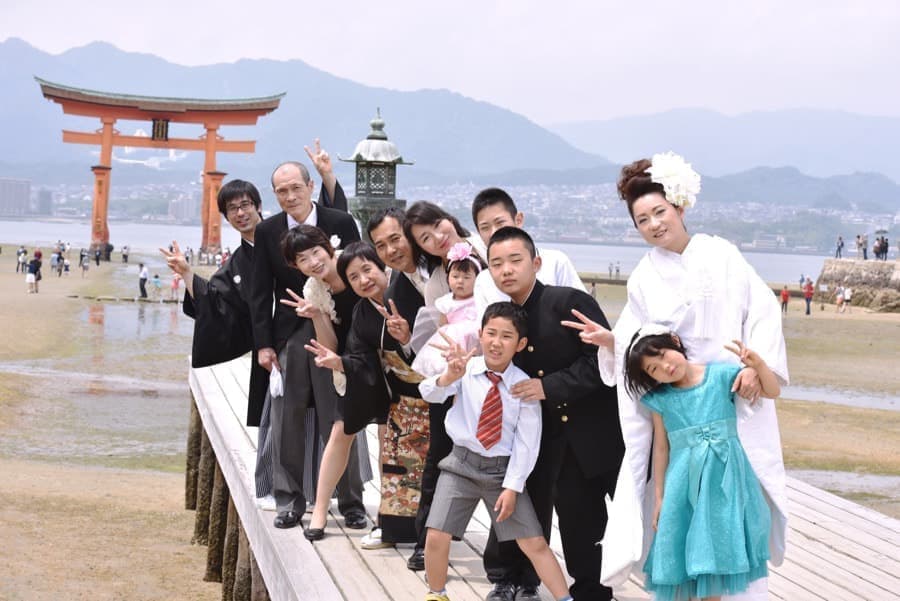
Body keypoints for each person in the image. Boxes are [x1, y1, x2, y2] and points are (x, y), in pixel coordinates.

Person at [564, 153, 788, 601]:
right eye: (642, 219)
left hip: (732, 389)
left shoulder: (722, 254)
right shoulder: (645, 276)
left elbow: (762, 312)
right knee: (687, 518)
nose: (653, 224)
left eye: (659, 212)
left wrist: (751, 366)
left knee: (741, 507)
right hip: (682, 398)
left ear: (680, 208)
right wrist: (614, 341)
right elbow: (638, 338)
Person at [487, 227, 623, 601]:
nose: (506, 271)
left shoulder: (568, 303)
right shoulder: (505, 322)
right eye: (496, 264)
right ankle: (591, 594)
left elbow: (603, 362)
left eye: (515, 260)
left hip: (599, 432)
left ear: (536, 262)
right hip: (552, 442)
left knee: (638, 516)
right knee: (579, 524)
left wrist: (550, 386)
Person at [418, 303, 574, 601]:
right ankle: (436, 594)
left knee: (534, 542)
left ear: (521, 344)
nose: (496, 342)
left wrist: (513, 487)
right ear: (480, 334)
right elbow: (430, 393)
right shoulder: (464, 370)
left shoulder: (523, 387)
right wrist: (448, 376)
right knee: (436, 534)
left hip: (502, 472)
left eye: (506, 336)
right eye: (490, 333)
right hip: (460, 464)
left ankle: (565, 598)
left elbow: (528, 443)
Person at [249, 141, 359, 530]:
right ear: (275, 196)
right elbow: (260, 291)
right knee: (289, 411)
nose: (290, 196)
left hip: (338, 328)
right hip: (291, 330)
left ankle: (350, 499)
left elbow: (355, 271)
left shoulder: (339, 221)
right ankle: (289, 498)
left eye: (296, 187)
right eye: (281, 191)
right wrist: (263, 344)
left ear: (311, 187)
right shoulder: (267, 231)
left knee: (343, 412)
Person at [623, 327, 778, 601]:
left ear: (675, 343)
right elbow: (661, 448)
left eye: (662, 355)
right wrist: (659, 497)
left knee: (714, 553)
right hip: (683, 481)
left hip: (724, 480)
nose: (666, 366)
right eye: (654, 369)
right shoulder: (661, 400)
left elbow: (772, 391)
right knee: (679, 548)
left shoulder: (720, 376)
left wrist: (759, 366)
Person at [305, 242, 429, 549]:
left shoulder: (412, 294)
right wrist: (341, 363)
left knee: (435, 465)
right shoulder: (362, 314)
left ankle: (431, 533)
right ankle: (395, 529)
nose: (363, 280)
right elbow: (360, 358)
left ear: (382, 267)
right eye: (354, 277)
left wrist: (409, 338)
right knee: (399, 462)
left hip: (436, 387)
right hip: (401, 392)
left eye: (367, 270)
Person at [162, 179, 272, 510]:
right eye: (232, 209)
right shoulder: (238, 261)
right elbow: (216, 300)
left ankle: (337, 495)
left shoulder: (285, 239)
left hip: (306, 342)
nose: (240, 213)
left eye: (245, 205)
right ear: (226, 217)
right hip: (269, 353)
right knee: (272, 421)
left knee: (322, 420)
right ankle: (274, 489)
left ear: (257, 205)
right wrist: (186, 273)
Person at [279, 225, 369, 541]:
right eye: (303, 259)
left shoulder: (354, 263)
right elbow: (329, 344)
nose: (314, 261)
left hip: (382, 351)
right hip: (351, 361)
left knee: (390, 435)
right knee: (340, 430)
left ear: (328, 245)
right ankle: (319, 510)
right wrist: (317, 316)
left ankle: (386, 512)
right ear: (296, 266)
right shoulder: (313, 290)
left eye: (316, 251)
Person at [366, 206, 432, 567]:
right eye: (381, 245)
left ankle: (432, 536)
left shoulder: (440, 270)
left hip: (453, 381)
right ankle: (408, 533)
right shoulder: (397, 286)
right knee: (403, 463)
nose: (391, 250)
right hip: (409, 385)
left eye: (396, 239)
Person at [469, 187, 585, 320]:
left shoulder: (556, 262)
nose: (493, 232)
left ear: (518, 220)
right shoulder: (483, 281)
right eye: (485, 228)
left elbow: (580, 310)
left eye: (500, 223)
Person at [412, 242, 484, 377]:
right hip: (453, 340)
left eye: (467, 277)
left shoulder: (479, 299)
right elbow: (443, 324)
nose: (460, 281)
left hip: (476, 339)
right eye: (455, 276)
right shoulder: (446, 302)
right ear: (448, 278)